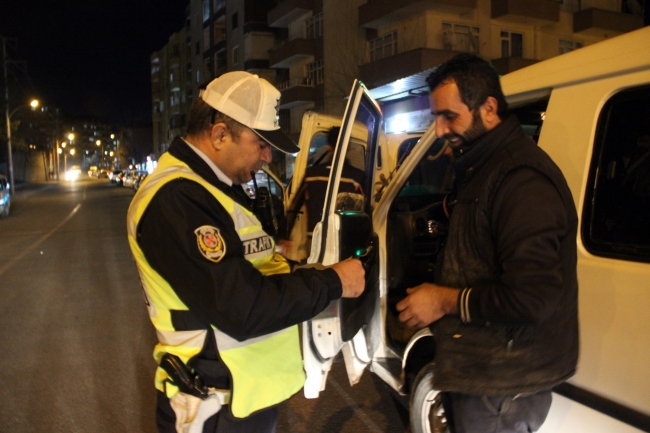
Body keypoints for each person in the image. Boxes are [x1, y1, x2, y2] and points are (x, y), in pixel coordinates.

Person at [126, 71, 365, 433]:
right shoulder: (176, 199)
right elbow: (242, 305)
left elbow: (255, 267)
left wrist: (302, 268)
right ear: (220, 134)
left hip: (239, 399)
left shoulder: (213, 189)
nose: (267, 157)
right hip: (211, 408)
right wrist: (332, 281)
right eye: (261, 143)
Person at [396, 53, 579, 433]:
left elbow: (532, 298)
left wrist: (441, 299)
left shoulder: (520, 178)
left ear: (489, 108)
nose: (440, 129)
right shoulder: (484, 167)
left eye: (450, 116)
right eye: (435, 117)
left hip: (503, 386)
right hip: (483, 374)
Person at [283, 126, 365, 259]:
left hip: (314, 240)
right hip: (343, 241)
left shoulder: (312, 175)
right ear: (348, 147)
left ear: (328, 147)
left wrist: (285, 237)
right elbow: (365, 211)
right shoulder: (357, 177)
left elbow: (293, 207)